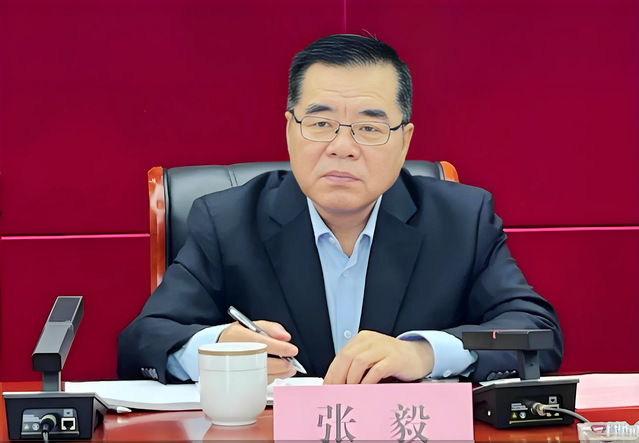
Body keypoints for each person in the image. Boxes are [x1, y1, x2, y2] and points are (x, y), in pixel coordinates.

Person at [117, 34, 563, 385]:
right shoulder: (227, 221)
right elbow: (142, 343)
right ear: (290, 130)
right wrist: (215, 348)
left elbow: (536, 333)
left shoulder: (462, 221)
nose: (342, 147)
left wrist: (425, 353)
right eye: (321, 123)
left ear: (404, 141)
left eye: (369, 127)